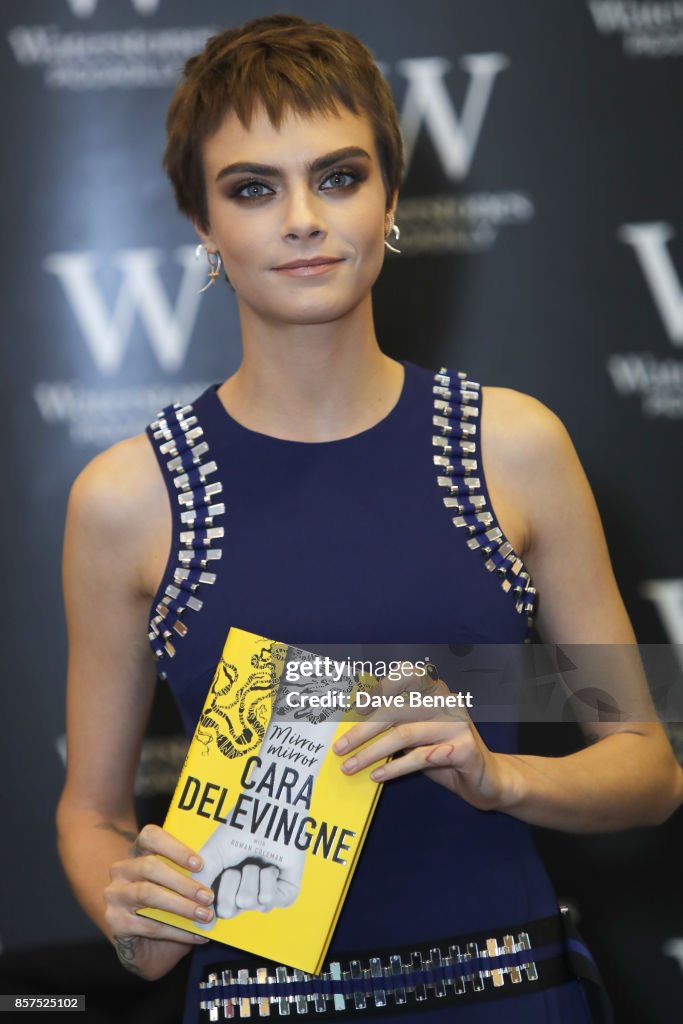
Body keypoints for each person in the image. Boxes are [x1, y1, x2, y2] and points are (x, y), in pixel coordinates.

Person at [56, 13, 682, 1024]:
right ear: (203, 225)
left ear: (391, 198)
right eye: (252, 187)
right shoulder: (126, 499)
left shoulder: (513, 444)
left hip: (512, 996)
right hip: (253, 1001)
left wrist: (500, 777)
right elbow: (88, 812)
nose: (301, 217)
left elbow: (645, 765)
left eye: (338, 176)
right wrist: (132, 911)